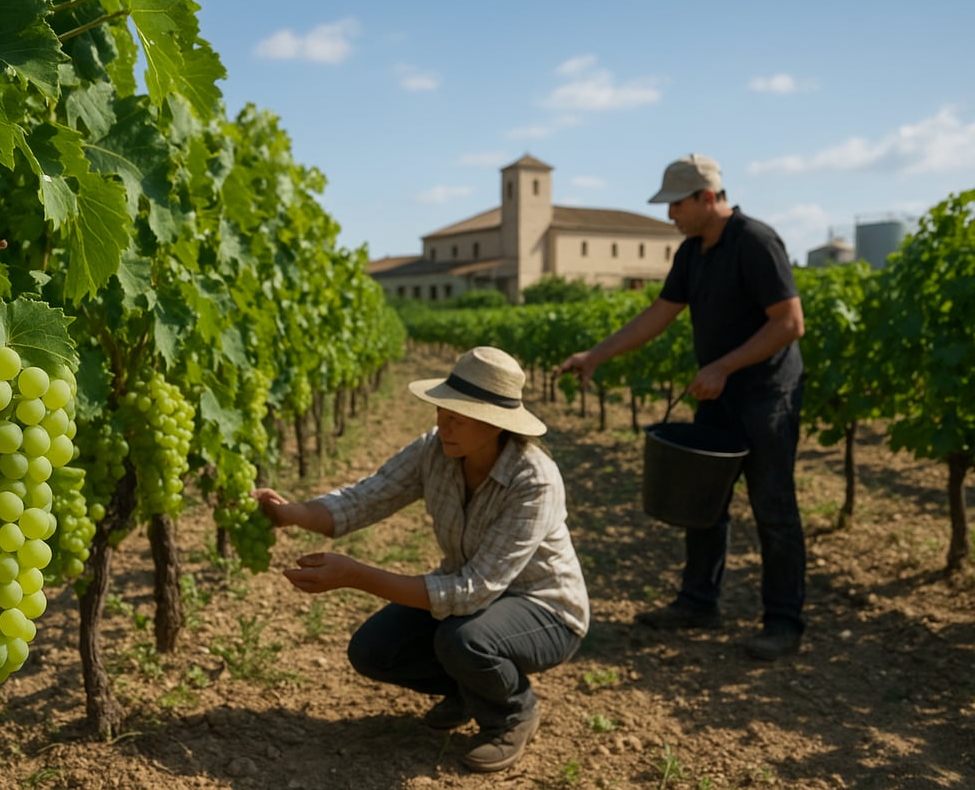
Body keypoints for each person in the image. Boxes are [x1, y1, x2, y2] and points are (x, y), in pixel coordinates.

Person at [253, 346, 589, 773]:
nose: (442, 424)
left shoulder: (533, 479)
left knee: (463, 639)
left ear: (494, 424)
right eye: (441, 411)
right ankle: (469, 689)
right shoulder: (436, 450)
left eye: (457, 417)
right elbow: (367, 497)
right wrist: (291, 514)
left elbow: (472, 593)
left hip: (545, 609)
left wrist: (357, 575)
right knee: (373, 651)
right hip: (474, 600)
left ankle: (511, 713)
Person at [557, 154, 806, 661]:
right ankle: (698, 602)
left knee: (774, 508)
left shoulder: (756, 243)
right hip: (719, 393)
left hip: (766, 396)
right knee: (704, 502)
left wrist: (723, 367)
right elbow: (659, 314)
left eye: (675, 204)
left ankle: (783, 623)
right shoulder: (693, 253)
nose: (669, 215)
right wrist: (596, 355)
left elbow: (788, 323)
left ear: (707, 197)